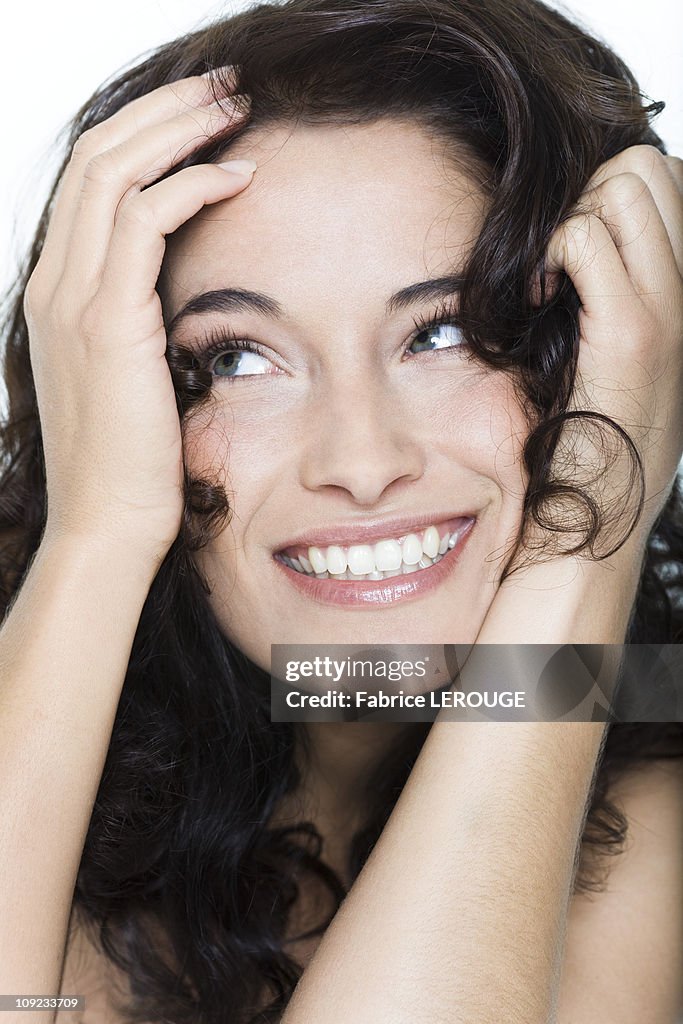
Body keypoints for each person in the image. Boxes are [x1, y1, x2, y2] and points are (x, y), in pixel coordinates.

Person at [0, 0, 682, 1021]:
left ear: (580, 355)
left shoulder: (649, 770)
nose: (360, 463)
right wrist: (96, 533)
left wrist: (592, 515)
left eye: (443, 332)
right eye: (236, 357)